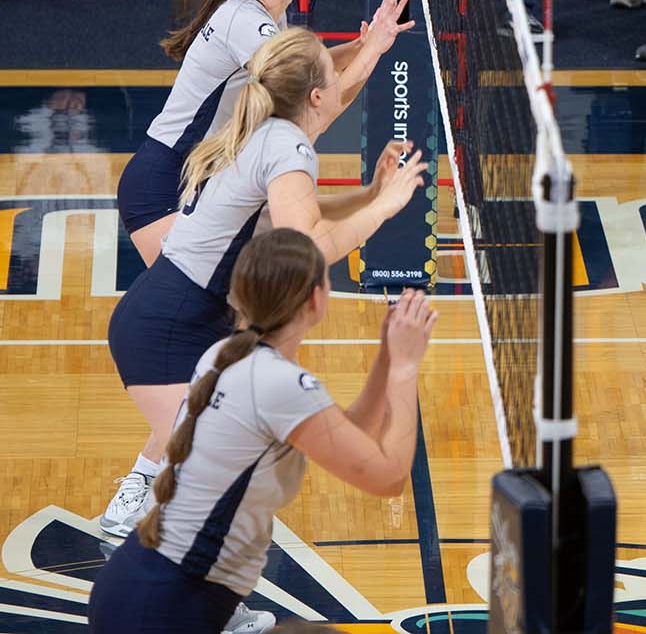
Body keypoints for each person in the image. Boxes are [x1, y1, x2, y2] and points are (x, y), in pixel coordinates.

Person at [100, 28, 431, 541]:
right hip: (166, 327)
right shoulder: (288, 145)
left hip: (185, 316)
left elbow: (292, 219)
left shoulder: (266, 131)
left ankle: (148, 526)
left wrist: (370, 195)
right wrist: (386, 207)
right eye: (331, 68)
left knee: (221, 473)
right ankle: (192, 604)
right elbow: (310, 249)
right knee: (221, 489)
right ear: (319, 96)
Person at [88, 230, 439, 634]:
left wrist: (387, 357)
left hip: (141, 585)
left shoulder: (227, 355)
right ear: (316, 299)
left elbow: (350, 436)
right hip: (168, 606)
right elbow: (389, 477)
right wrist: (406, 368)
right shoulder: (276, 383)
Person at [117, 0, 413, 266]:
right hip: (164, 185)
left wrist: (361, 47)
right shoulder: (245, 22)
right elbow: (318, 103)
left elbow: (307, 74)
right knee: (193, 307)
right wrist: (375, 49)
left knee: (224, 306)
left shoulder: (267, 11)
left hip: (201, 177)